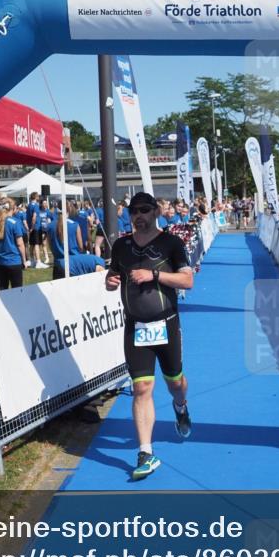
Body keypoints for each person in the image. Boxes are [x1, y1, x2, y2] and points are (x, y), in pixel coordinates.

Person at [105, 192, 194, 480]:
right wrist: (110, 280)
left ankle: (180, 406)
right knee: (142, 388)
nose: (138, 216)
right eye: (134, 212)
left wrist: (153, 276)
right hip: (135, 327)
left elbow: (187, 280)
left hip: (165, 324)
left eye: (144, 210)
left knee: (175, 383)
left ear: (155, 211)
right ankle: (145, 452)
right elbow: (112, 277)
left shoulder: (171, 243)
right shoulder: (121, 245)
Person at [0, 198, 27, 290]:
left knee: (2, 291)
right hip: (13, 262)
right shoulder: (15, 222)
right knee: (17, 291)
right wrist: (24, 260)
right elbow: (20, 244)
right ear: (13, 208)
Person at [49, 201, 85, 280]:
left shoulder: (50, 225)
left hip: (58, 264)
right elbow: (81, 247)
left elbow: (50, 245)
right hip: (73, 263)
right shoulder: (74, 225)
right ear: (69, 209)